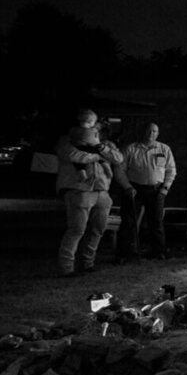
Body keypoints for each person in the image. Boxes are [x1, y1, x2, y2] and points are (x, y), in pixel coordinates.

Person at [54, 109, 122, 277]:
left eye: (96, 130)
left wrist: (99, 147)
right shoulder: (67, 141)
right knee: (76, 229)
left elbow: (118, 158)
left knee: (98, 229)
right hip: (79, 190)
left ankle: (88, 263)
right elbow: (72, 155)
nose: (94, 132)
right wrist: (96, 157)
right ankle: (66, 268)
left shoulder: (104, 144)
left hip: (102, 191)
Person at [119, 122, 177, 260]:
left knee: (156, 222)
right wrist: (127, 186)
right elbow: (120, 170)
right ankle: (124, 253)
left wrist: (165, 188)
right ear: (143, 132)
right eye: (149, 131)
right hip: (134, 189)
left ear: (158, 133)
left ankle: (159, 252)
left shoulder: (164, 149)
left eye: (154, 131)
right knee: (129, 221)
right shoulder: (131, 148)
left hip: (156, 190)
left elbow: (171, 170)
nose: (151, 134)